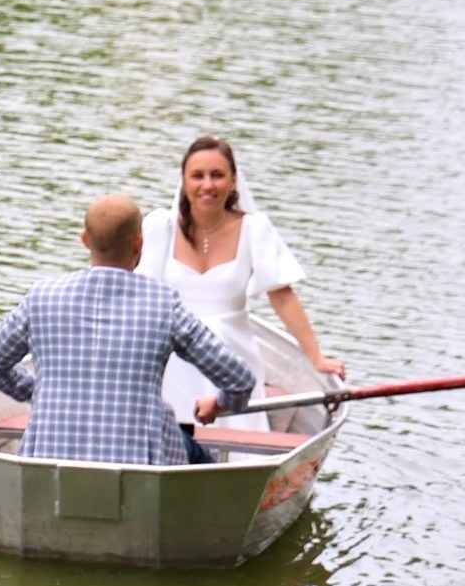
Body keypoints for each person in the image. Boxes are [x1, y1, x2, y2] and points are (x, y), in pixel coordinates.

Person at [0, 193, 257, 467]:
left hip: (47, 460)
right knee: (199, 456)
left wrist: (36, 391)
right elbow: (240, 380)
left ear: (85, 239)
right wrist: (219, 404)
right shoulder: (164, 305)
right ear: (139, 243)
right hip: (141, 468)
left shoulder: (41, 297)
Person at [138, 135, 343, 433]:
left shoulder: (253, 228)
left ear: (233, 180)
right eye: (197, 176)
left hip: (231, 359)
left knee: (235, 415)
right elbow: (134, 293)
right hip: (174, 352)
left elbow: (282, 296)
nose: (207, 185)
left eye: (217, 175)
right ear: (183, 181)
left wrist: (317, 358)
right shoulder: (160, 227)